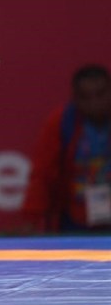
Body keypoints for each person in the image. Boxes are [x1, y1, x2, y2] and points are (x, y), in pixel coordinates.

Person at [21, 65, 111, 233]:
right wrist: (31, 218)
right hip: (74, 219)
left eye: (100, 94)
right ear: (75, 98)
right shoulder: (61, 123)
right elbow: (43, 175)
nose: (94, 103)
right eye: (86, 97)